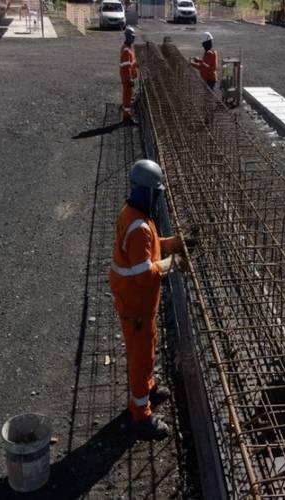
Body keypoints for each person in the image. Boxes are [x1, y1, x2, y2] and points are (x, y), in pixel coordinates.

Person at [109, 159, 188, 440]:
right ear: (148, 192)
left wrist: (173, 243)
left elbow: (150, 247)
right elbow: (145, 272)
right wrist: (173, 262)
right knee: (141, 358)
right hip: (135, 304)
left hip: (142, 305)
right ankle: (140, 415)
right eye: (157, 192)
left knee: (149, 348)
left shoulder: (134, 214)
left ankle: (149, 388)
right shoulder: (139, 226)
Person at [120, 27, 139, 124]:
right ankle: (127, 117)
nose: (133, 39)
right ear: (128, 37)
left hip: (128, 78)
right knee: (127, 97)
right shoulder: (126, 50)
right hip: (127, 79)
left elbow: (131, 63)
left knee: (127, 97)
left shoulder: (128, 48)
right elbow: (126, 67)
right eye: (132, 37)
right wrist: (129, 79)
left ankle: (126, 114)